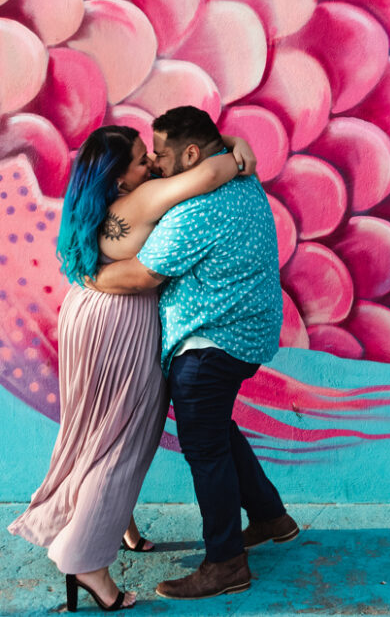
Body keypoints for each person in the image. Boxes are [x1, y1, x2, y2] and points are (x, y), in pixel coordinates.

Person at [8, 124, 256, 612]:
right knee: (123, 438)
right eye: (143, 160)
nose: (153, 166)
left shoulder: (89, 205)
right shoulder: (141, 201)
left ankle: (122, 526)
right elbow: (209, 175)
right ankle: (86, 561)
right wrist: (239, 148)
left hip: (84, 314)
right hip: (121, 322)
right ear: (119, 179)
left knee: (95, 427)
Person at [91, 106, 299, 601]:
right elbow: (217, 149)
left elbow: (142, 275)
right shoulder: (241, 177)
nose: (157, 165)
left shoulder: (197, 210)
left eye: (160, 155)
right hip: (246, 335)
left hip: (210, 346)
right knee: (217, 431)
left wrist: (88, 275)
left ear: (189, 154)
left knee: (204, 448)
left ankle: (226, 563)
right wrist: (230, 140)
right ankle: (272, 517)